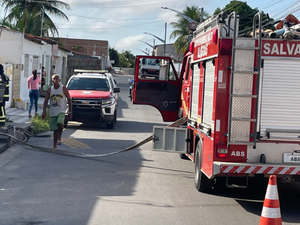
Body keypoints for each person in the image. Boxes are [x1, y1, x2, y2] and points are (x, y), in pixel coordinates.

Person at [42, 74, 72, 149]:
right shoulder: (50, 90)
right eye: (54, 79)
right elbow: (45, 101)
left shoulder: (63, 89)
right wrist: (44, 111)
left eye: (57, 79)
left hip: (61, 110)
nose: (55, 80)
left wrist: (70, 112)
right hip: (53, 111)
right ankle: (54, 145)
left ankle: (60, 136)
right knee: (55, 129)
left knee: (60, 123)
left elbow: (69, 100)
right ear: (52, 80)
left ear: (60, 80)